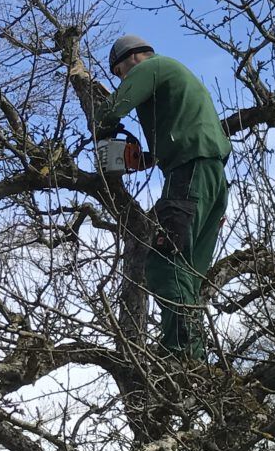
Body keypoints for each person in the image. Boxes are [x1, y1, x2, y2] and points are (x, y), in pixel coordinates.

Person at [95, 33, 231, 359]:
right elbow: (178, 135)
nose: (123, 80)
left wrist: (103, 132)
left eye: (120, 74)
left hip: (188, 175)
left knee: (164, 264)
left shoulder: (150, 67)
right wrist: (141, 159)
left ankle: (177, 353)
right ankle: (194, 359)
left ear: (131, 60)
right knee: (188, 275)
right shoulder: (176, 77)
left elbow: (111, 110)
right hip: (213, 179)